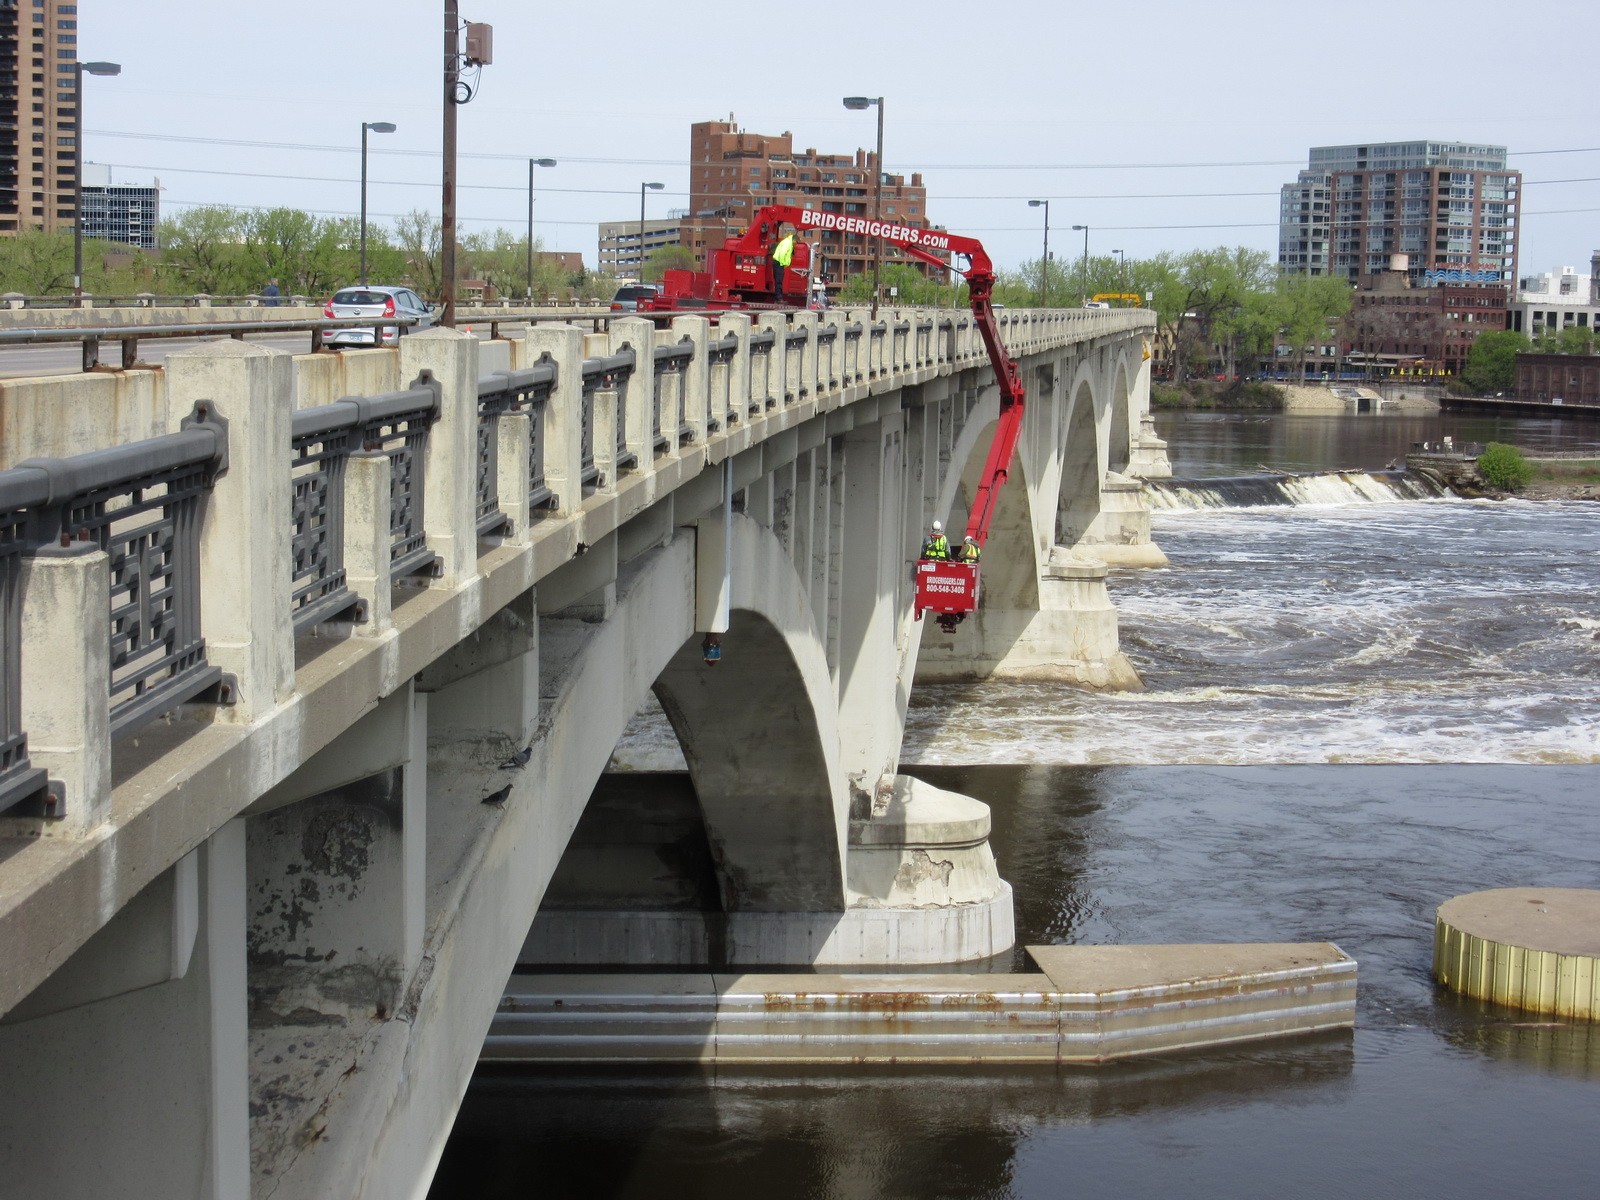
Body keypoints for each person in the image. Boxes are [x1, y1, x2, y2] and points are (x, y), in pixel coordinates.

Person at [770, 226, 796, 298]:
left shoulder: (788, 242)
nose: (796, 244)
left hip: (779, 263)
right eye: (796, 242)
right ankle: (778, 297)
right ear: (794, 240)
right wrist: (782, 264)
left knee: (779, 281)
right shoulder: (788, 243)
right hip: (779, 263)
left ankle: (779, 297)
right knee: (779, 281)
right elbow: (782, 253)